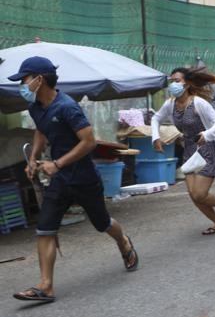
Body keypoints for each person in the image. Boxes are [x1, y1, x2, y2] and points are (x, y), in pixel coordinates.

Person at [10, 56, 139, 303]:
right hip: (60, 181)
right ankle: (45, 286)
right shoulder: (36, 107)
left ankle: (123, 241)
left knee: (102, 223)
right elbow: (40, 129)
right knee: (44, 228)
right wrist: (33, 158)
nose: (22, 85)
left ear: (39, 80)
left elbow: (88, 142)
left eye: (24, 80)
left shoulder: (67, 106)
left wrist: (57, 163)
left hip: (84, 178)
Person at [152, 68, 215, 235]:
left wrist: (207, 134)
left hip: (207, 149)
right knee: (193, 195)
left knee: (199, 194)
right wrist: (155, 137)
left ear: (187, 83)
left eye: (177, 80)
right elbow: (156, 118)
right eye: (172, 81)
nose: (173, 84)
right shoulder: (170, 104)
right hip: (190, 151)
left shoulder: (198, 103)